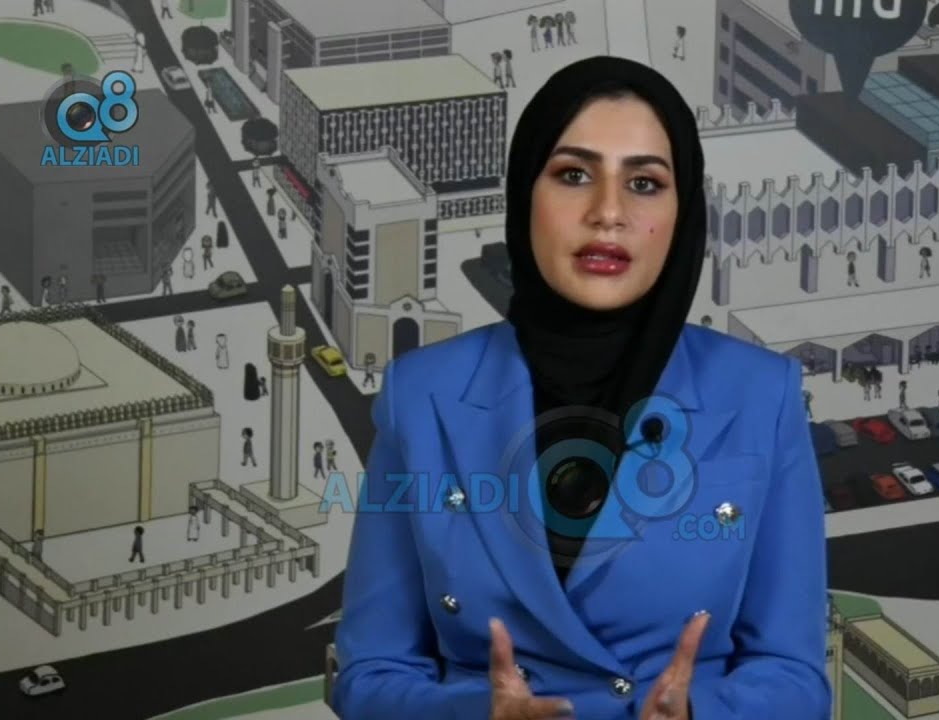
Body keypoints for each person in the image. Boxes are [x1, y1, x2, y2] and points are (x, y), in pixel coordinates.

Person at [333, 56, 830, 720]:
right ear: (524, 194)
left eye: (645, 183)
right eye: (573, 175)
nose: (608, 213)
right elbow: (370, 675)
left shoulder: (763, 395)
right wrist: (478, 715)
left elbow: (796, 679)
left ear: (683, 211)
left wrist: (699, 714)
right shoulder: (419, 394)